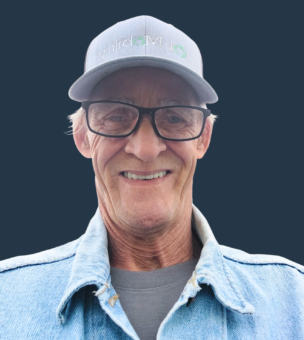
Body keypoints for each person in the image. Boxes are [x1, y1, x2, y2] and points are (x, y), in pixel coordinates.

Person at [0, 15, 303, 340]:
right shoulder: (7, 300)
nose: (145, 149)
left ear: (204, 137)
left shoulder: (293, 301)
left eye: (174, 117)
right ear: (82, 136)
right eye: (116, 115)